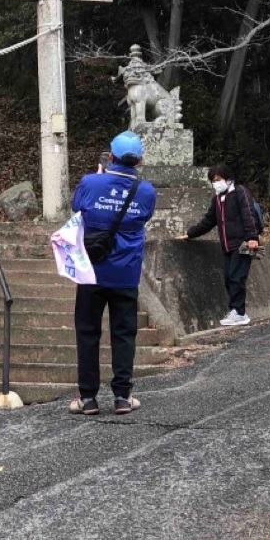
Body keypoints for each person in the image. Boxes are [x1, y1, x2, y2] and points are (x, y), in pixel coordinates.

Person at [69, 131, 156, 416]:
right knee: (123, 334)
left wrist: (99, 180)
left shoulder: (90, 182)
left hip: (92, 270)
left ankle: (88, 398)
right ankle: (122, 396)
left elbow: (76, 208)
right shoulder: (146, 191)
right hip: (127, 273)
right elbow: (144, 216)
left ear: (110, 156)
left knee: (87, 332)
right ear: (140, 160)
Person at [180, 163, 260, 327]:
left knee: (237, 277)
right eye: (213, 180)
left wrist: (252, 237)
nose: (216, 183)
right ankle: (236, 311)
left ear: (228, 179)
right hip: (228, 245)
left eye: (219, 179)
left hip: (242, 243)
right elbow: (209, 220)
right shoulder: (217, 199)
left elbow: (248, 214)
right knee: (229, 278)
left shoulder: (240, 192)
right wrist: (190, 233)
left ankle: (239, 312)